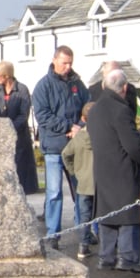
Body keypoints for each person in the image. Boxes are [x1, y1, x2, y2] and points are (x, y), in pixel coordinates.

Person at [84, 65, 140, 273]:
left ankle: (107, 256)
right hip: (123, 168)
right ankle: (128, 258)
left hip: (102, 167)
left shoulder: (95, 110)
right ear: (125, 88)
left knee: (107, 213)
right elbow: (132, 144)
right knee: (128, 214)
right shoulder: (121, 110)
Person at [33, 46, 90, 251]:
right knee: (54, 192)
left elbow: (88, 108)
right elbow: (43, 116)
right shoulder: (43, 86)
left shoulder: (77, 84)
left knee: (81, 191)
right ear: (54, 60)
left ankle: (84, 232)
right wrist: (67, 126)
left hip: (76, 147)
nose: (67, 67)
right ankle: (53, 233)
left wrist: (80, 127)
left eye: (70, 63)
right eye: (64, 62)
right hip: (54, 147)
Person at [0, 61, 38, 195]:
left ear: (6, 75)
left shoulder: (22, 89)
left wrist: (10, 128)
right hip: (1, 136)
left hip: (19, 136)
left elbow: (24, 114)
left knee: (21, 171)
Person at [60, 111, 96, 259]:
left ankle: (83, 245)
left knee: (84, 215)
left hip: (82, 182)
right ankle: (107, 246)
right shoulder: (102, 136)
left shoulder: (79, 137)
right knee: (100, 214)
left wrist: (73, 171)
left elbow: (65, 154)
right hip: (99, 182)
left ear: (83, 118)